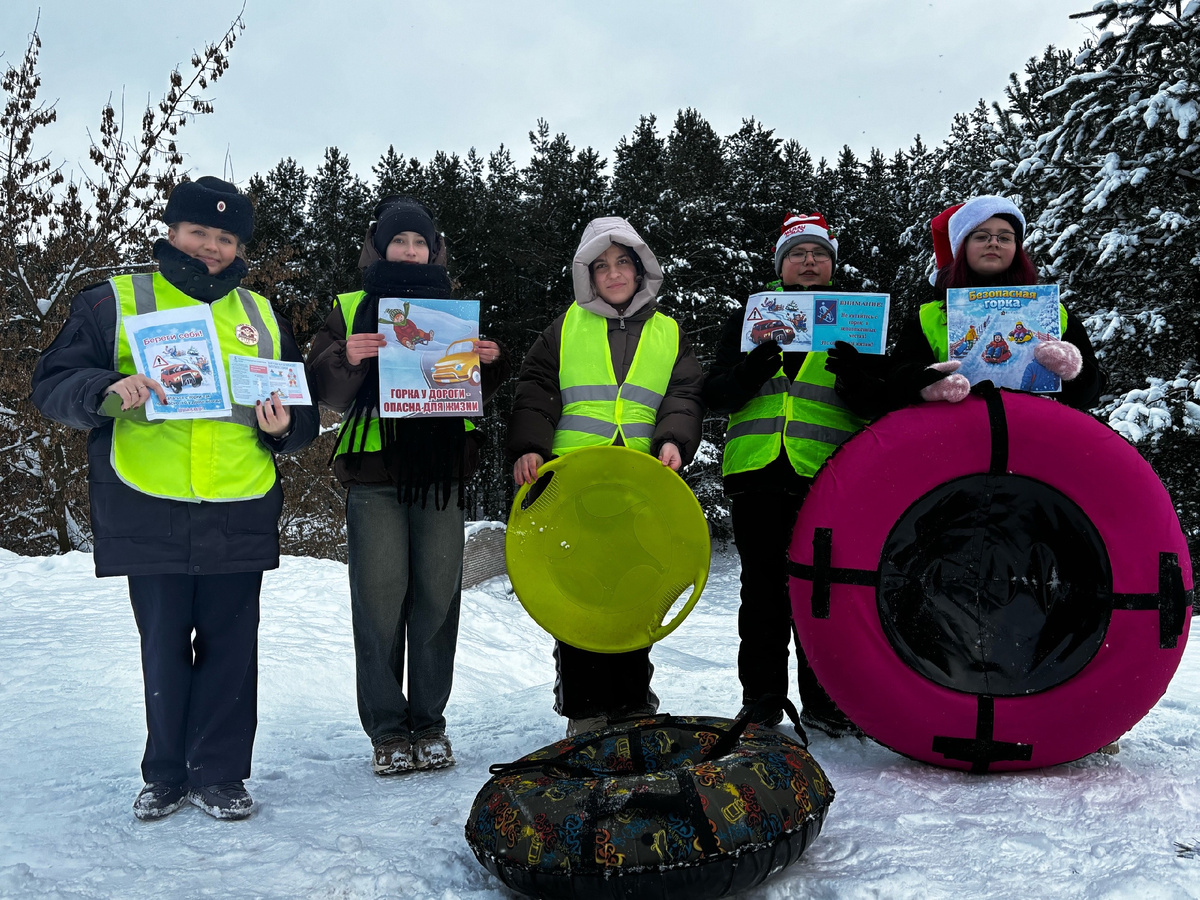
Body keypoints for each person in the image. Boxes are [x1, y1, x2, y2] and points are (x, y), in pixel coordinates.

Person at [31, 176, 319, 821]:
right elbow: (53, 383)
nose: (212, 247)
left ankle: (220, 774)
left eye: (226, 237)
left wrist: (285, 426)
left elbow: (298, 412)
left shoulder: (260, 314)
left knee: (230, 649)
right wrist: (106, 390)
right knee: (162, 646)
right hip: (148, 502)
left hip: (239, 502)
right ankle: (164, 774)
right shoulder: (113, 301)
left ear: (240, 246)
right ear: (171, 231)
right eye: (198, 232)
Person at [306, 196, 509, 776]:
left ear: (434, 250)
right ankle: (388, 729)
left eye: (420, 242)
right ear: (379, 246)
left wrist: (491, 361)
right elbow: (324, 390)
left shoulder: (452, 312)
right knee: (378, 600)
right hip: (373, 475)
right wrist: (345, 355)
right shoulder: (350, 307)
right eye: (400, 240)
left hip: (441, 474)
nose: (411, 250)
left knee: (438, 598)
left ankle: (430, 723)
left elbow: (471, 387)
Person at [508, 216, 704, 737]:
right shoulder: (564, 328)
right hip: (573, 485)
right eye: (601, 266)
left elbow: (683, 396)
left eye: (622, 262)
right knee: (579, 594)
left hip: (640, 486)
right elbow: (536, 389)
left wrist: (672, 440)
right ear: (587, 275)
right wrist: (530, 448)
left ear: (640, 269)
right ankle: (585, 708)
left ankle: (633, 700)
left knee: (634, 590)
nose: (613, 273)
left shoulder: (669, 332)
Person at [702, 212, 866, 738]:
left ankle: (828, 703)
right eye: (798, 253)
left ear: (832, 264)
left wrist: (860, 378)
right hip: (757, 471)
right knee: (763, 592)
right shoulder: (751, 317)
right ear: (781, 264)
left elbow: (878, 404)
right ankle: (762, 701)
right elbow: (714, 393)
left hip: (829, 475)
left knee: (823, 594)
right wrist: (749, 371)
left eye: (819, 253)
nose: (809, 261)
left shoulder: (858, 319)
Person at [859, 195, 1104, 410]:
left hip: (1033, 437)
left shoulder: (1053, 312)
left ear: (1016, 249)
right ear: (962, 247)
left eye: (1005, 237)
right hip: (957, 439)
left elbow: (1090, 396)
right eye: (981, 236)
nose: (993, 243)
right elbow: (896, 386)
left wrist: (1074, 372)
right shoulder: (929, 317)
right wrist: (925, 383)